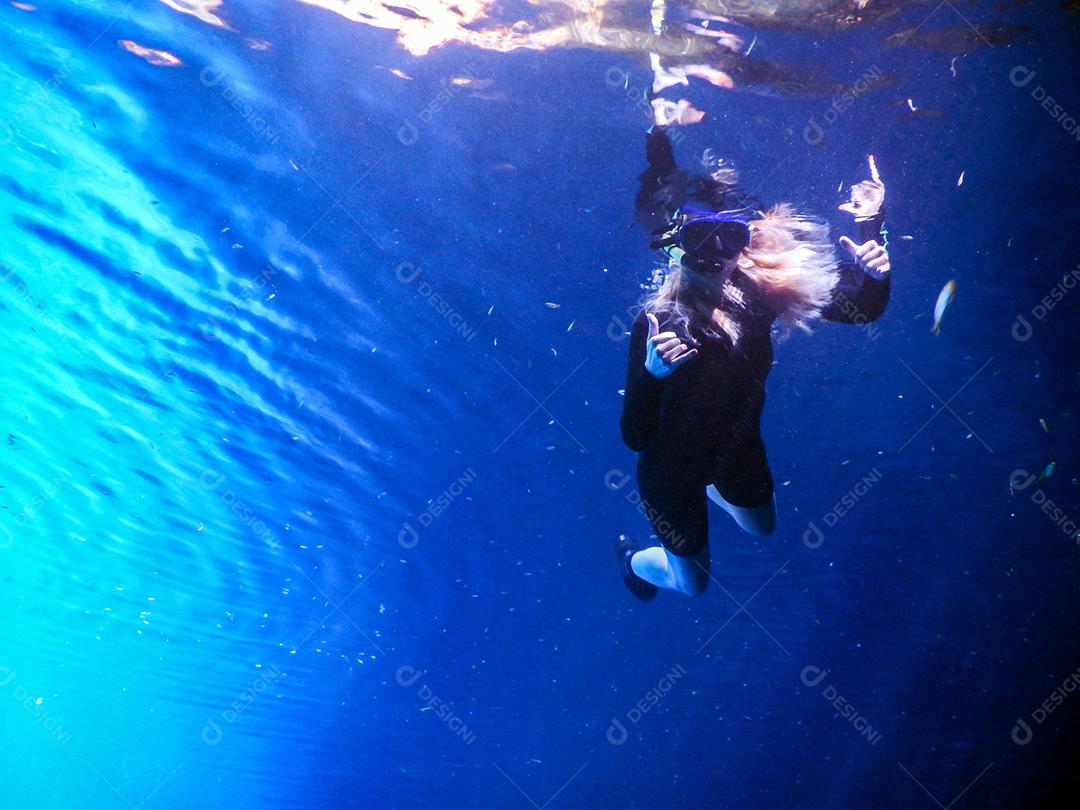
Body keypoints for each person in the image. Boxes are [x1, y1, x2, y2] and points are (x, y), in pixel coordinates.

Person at [616, 123, 891, 599]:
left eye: (730, 239)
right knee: (693, 584)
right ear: (676, 246)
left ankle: (713, 488)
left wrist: (873, 244)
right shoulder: (659, 321)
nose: (716, 257)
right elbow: (635, 436)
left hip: (736, 445)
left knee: (762, 528)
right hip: (672, 476)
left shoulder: (760, 289)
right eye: (702, 240)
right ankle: (632, 564)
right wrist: (652, 374)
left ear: (744, 243)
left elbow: (861, 306)